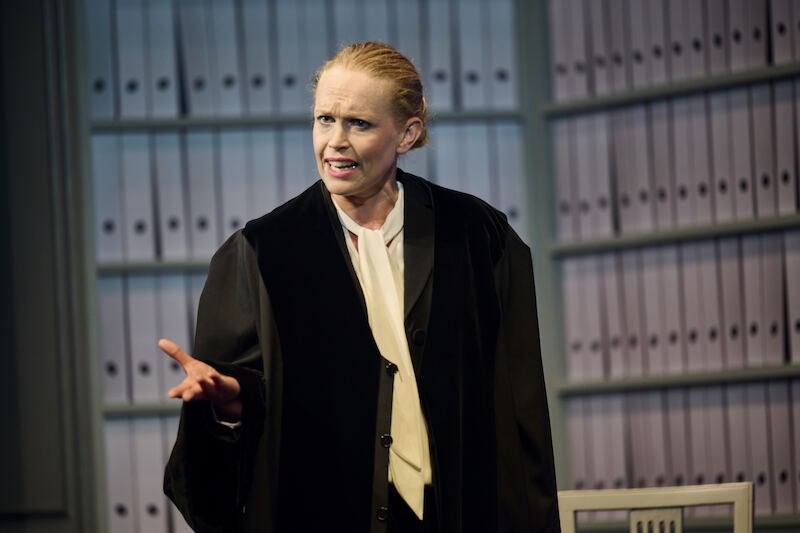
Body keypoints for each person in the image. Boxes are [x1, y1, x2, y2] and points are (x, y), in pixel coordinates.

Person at [161, 41, 560, 533]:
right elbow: (242, 434)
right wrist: (228, 402)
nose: (335, 142)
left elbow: (521, 413)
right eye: (324, 119)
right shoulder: (262, 251)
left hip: (457, 514)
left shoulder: (478, 236)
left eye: (360, 124)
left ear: (408, 133)